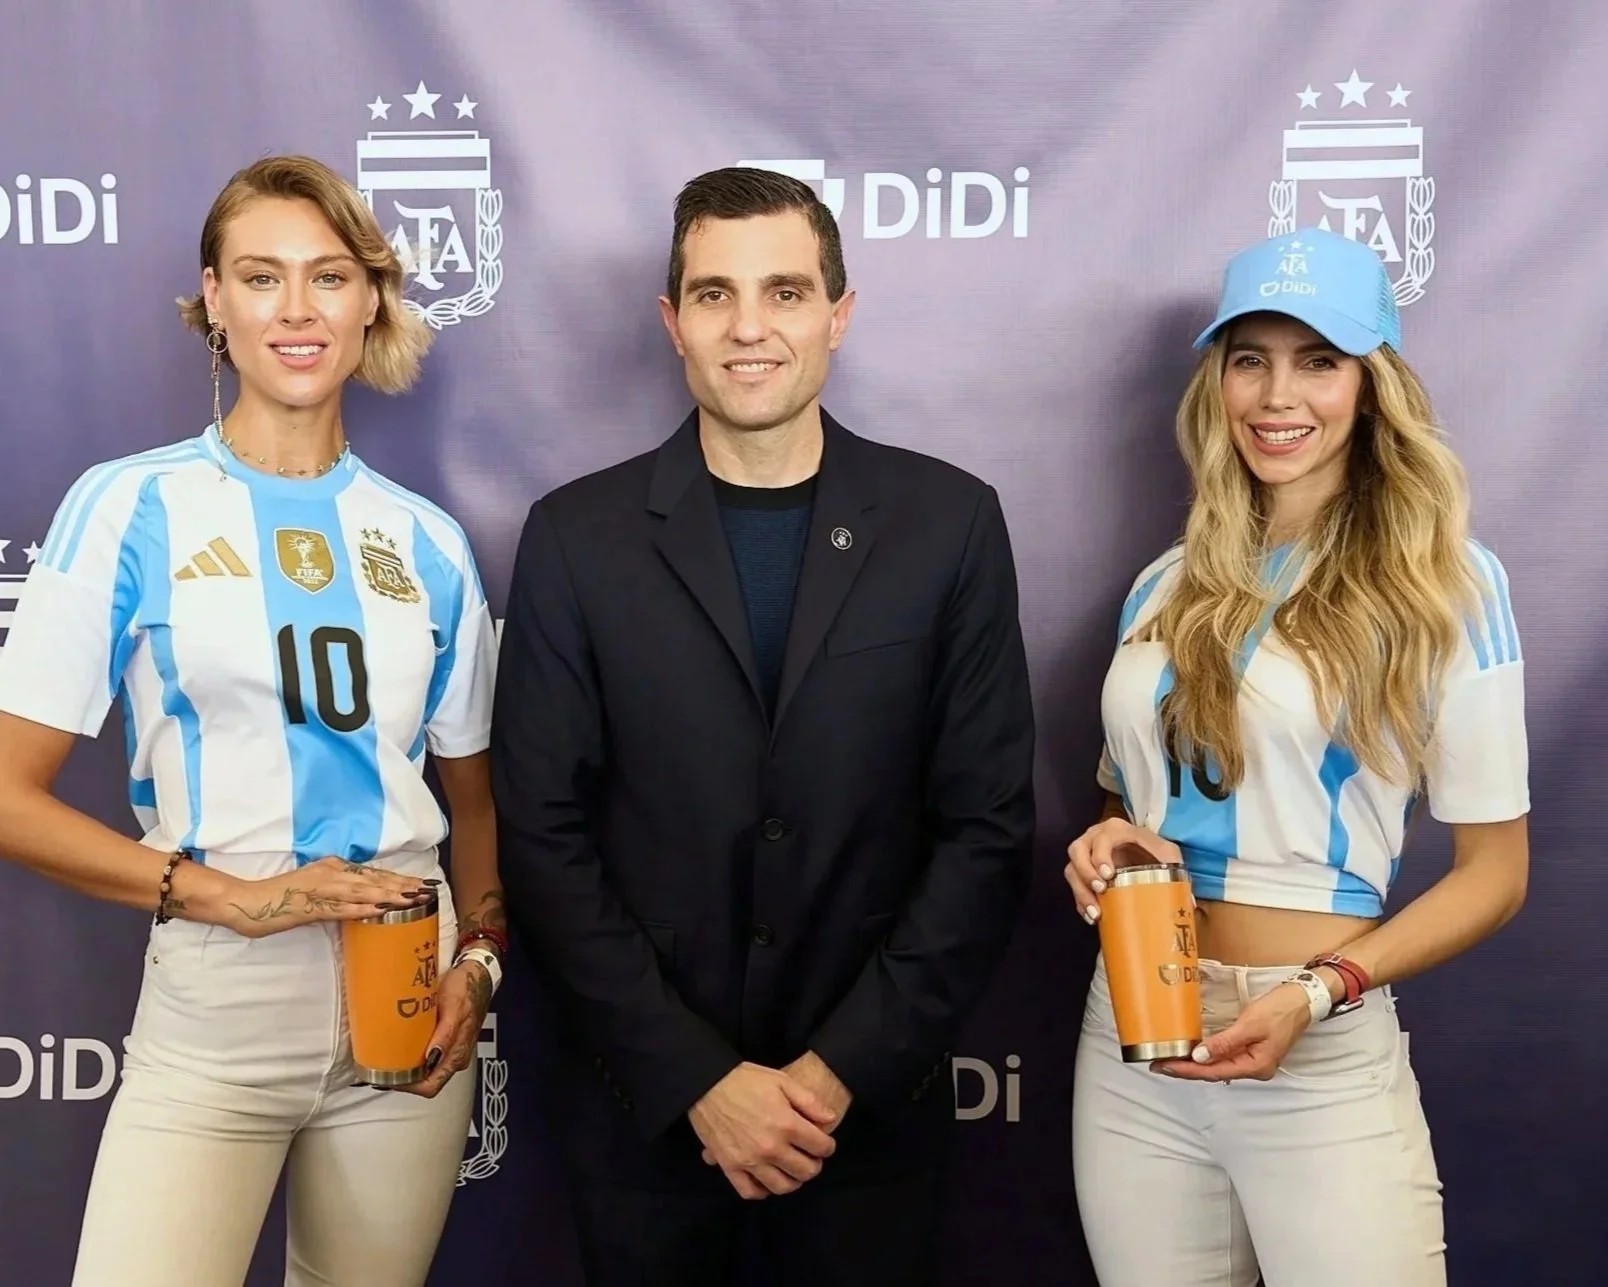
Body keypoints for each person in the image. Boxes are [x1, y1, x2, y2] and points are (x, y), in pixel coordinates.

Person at [491, 166, 1036, 1287]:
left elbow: (986, 828)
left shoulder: (949, 523)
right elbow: (541, 832)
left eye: (786, 293)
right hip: (644, 1121)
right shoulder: (575, 537)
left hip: (865, 1123)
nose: (750, 328)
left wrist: (835, 1074)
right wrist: (698, 1079)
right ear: (672, 322)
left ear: (838, 313)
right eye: (714, 295)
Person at [0, 155, 504, 1287]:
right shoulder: (130, 504)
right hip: (221, 990)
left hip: (403, 992)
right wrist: (237, 899)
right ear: (213, 300)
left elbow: (474, 800)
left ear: (371, 298)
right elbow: (4, 797)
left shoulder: (426, 540)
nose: (297, 309)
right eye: (262, 277)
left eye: (329, 277)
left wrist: (475, 963)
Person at [1064, 227, 1529, 1286]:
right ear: (1217, 380)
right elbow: (1124, 810)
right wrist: (1104, 848)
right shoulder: (1163, 583)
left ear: (1373, 386)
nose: (1280, 395)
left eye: (1319, 360)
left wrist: (1319, 992)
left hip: (1317, 1044)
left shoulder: (1451, 583)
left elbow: (1497, 874)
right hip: (1136, 1040)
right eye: (1250, 358)